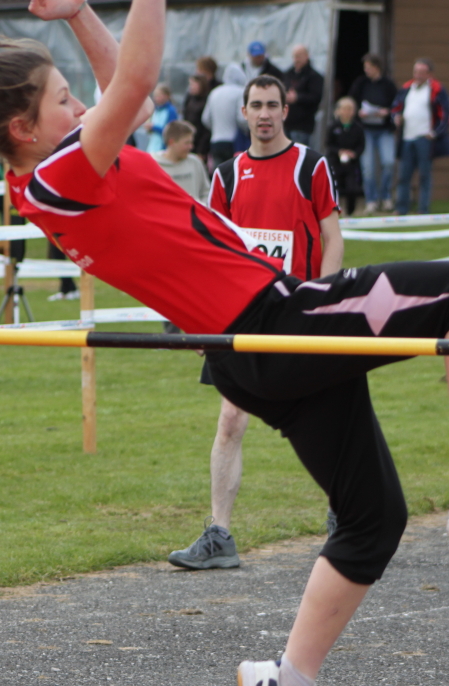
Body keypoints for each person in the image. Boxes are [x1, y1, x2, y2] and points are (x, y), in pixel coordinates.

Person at [0, 0, 449, 686]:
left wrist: (77, 16)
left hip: (247, 350)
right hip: (272, 322)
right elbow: (136, 79)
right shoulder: (62, 175)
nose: (81, 106)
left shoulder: (52, 175)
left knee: (372, 520)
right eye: (63, 100)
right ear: (23, 128)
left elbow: (126, 92)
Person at [169, 73, 344, 571]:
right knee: (230, 419)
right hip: (242, 314)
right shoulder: (226, 175)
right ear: (243, 113)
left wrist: (322, 299)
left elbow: (333, 238)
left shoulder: (311, 164)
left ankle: (346, 516)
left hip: (298, 310)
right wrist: (201, 315)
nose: (264, 114)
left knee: (325, 417)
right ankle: (219, 535)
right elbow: (213, 250)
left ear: (285, 111)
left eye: (272, 105)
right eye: (256, 105)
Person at [392, 58, 449, 216]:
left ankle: (423, 209)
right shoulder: (407, 88)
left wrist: (435, 133)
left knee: (424, 175)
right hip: (407, 138)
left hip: (424, 138)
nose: (417, 75)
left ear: (429, 74)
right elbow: (396, 107)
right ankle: (401, 208)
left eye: (421, 72)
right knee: (404, 176)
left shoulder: (436, 90)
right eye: (416, 72)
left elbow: (445, 115)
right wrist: (396, 117)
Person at [349, 53, 398, 215]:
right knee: (368, 168)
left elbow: (396, 105)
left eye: (369, 67)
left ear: (377, 67)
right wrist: (359, 113)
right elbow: (352, 102)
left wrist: (387, 112)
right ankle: (371, 200)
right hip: (366, 130)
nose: (366, 70)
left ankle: (386, 196)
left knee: (388, 162)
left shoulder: (388, 84)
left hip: (384, 129)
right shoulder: (361, 83)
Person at [202, 63, 247, 168]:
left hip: (215, 141)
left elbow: (205, 118)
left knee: (220, 173)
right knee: (235, 172)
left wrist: (216, 128)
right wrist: (247, 131)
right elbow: (242, 119)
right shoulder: (240, 92)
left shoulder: (214, 92)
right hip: (234, 142)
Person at [325, 97, 365, 217]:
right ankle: (333, 211)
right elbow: (328, 144)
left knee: (352, 188)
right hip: (335, 162)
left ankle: (350, 212)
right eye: (344, 109)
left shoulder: (358, 128)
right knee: (334, 186)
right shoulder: (333, 127)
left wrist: (354, 153)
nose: (347, 112)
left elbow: (361, 145)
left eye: (350, 109)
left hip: (352, 164)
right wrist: (339, 152)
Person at [153, 120, 209, 201]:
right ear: (172, 142)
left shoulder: (195, 162)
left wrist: (202, 205)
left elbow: (206, 192)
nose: (191, 146)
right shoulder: (154, 164)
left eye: (191, 142)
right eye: (187, 143)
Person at [281, 44, 323, 146]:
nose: (296, 59)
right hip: (286, 123)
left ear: (307, 56)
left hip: (303, 125)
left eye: (299, 56)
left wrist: (297, 98)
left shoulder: (314, 76)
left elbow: (316, 98)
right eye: (295, 56)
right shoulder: (288, 74)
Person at [181, 73, 212, 158]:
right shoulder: (189, 98)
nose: (191, 87)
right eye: (190, 84)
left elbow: (206, 127)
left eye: (193, 84)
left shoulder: (206, 100)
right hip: (188, 136)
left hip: (201, 139)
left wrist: (202, 149)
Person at [145, 83, 178, 153]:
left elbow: (170, 131)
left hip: (163, 148)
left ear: (167, 96)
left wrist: (153, 127)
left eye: (159, 95)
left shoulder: (171, 111)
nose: (156, 98)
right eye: (155, 96)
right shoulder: (156, 109)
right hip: (153, 146)